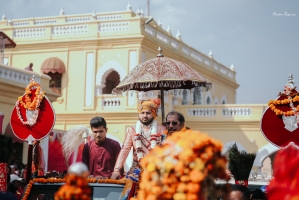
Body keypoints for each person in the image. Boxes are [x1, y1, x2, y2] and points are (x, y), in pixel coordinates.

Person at [111, 99, 166, 179]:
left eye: (148, 113)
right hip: (137, 170)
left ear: (154, 114)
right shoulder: (132, 130)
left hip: (156, 171)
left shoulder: (162, 129)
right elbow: (125, 150)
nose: (145, 116)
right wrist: (117, 170)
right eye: (142, 113)